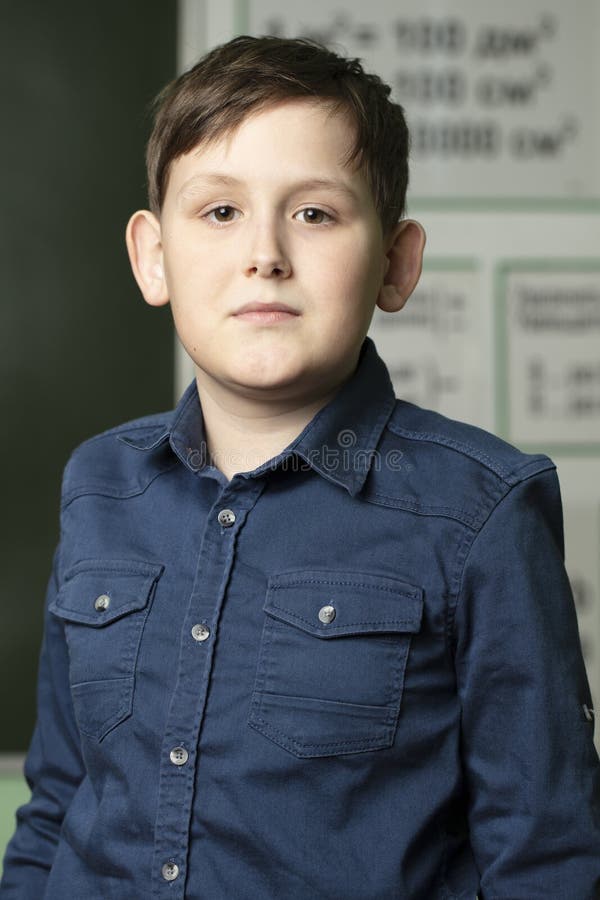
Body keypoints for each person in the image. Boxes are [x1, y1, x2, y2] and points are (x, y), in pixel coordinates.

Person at [1, 33, 598, 900]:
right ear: (152, 257)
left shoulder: (483, 510)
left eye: (314, 213)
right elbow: (57, 804)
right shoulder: (99, 486)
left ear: (395, 262)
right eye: (220, 212)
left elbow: (546, 857)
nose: (265, 254)